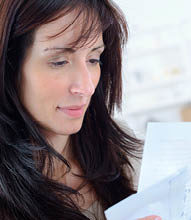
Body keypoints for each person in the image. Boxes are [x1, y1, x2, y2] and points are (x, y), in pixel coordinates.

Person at [0, 0, 162, 219]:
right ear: (9, 66)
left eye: (94, 59)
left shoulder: (118, 149)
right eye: (59, 62)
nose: (86, 87)